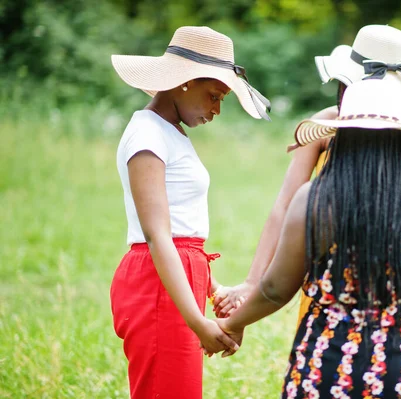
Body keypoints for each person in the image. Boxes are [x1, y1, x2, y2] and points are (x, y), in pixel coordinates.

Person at [215, 79, 401, 398]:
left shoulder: (313, 199)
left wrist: (230, 325)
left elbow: (274, 290)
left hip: (322, 365)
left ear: (343, 134)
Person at [213, 24, 401, 324]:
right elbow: (285, 205)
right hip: (331, 267)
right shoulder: (326, 125)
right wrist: (253, 281)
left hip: (392, 267)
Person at [109, 26, 270, 399]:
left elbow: (182, 226)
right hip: (157, 285)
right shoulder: (147, 135)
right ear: (184, 82)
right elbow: (158, 235)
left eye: (222, 100)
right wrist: (198, 321)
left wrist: (213, 289)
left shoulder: (168, 131)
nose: (216, 110)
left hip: (175, 280)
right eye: (213, 96)